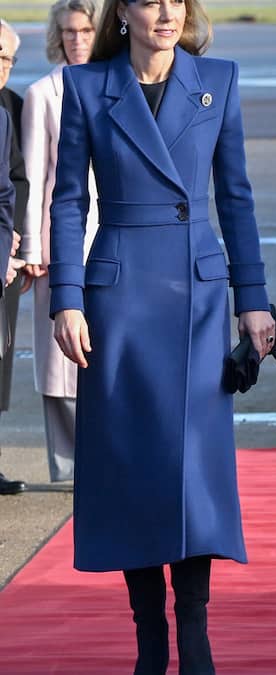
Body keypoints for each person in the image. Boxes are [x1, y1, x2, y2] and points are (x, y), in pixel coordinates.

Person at [49, 0, 275, 671]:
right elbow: (68, 200)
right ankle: (151, 638)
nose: (166, 13)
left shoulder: (221, 78)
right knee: (132, 468)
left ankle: (195, 631)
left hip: (198, 299)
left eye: (177, 0)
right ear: (124, 11)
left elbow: (235, 195)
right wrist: (67, 298)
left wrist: (253, 301)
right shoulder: (88, 85)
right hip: (118, 301)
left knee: (193, 471)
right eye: (150, 1)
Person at [21, 0, 100, 487]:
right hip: (57, 244)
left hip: (108, 241)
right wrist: (32, 249)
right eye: (69, 31)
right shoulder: (42, 94)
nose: (76, 40)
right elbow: (32, 176)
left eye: (85, 31)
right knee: (58, 364)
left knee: (103, 352)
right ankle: (67, 470)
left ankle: (105, 460)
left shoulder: (116, 85)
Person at [0, 18, 28, 496]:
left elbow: (11, 188)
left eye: (6, 58)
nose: (1, 66)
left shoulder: (7, 111)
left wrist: (7, 246)